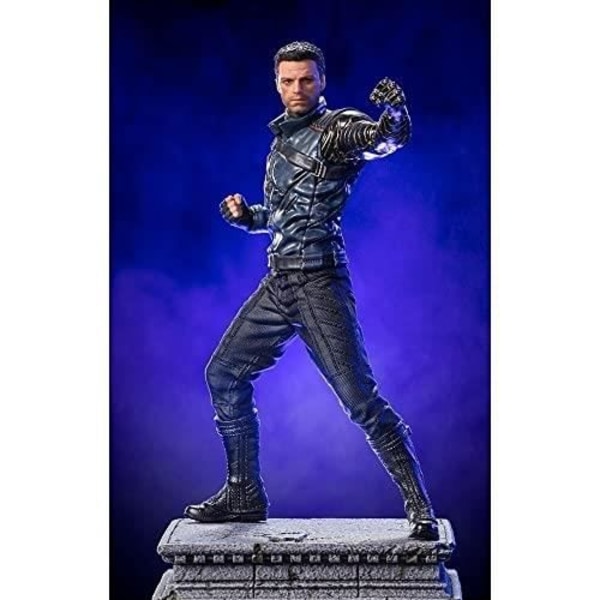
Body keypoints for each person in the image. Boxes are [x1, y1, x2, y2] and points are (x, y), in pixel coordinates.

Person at [184, 41, 439, 541]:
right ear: (277, 84)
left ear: (322, 81)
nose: (297, 88)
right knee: (224, 374)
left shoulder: (338, 130)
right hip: (280, 282)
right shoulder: (281, 142)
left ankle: (419, 505)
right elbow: (284, 217)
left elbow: (382, 138)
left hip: (319, 283)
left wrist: (393, 114)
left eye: (306, 79)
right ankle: (244, 493)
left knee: (360, 400)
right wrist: (248, 217)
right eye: (288, 80)